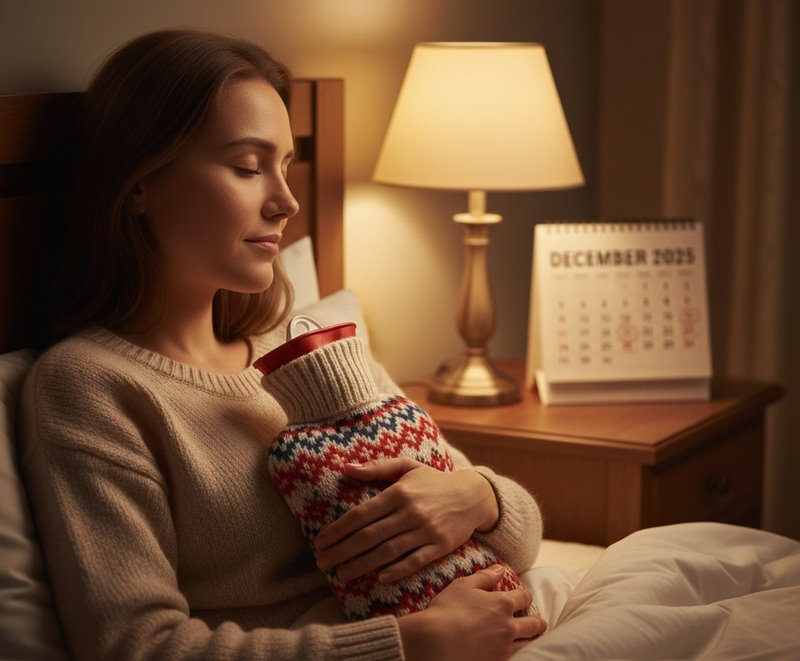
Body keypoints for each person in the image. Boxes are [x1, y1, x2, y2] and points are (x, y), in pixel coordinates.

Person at [18, 29, 545, 661]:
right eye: (247, 167)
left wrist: (478, 496)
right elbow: (136, 645)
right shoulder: (88, 387)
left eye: (287, 166)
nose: (287, 201)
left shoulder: (302, 350)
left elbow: (521, 532)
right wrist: (406, 644)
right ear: (140, 183)